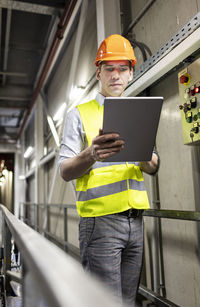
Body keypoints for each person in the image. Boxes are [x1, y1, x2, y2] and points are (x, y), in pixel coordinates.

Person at [58, 34, 159, 306]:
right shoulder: (78, 114)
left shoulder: (140, 112)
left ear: (131, 73)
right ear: (98, 73)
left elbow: (153, 165)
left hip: (135, 222)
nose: (116, 75)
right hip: (100, 223)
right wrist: (91, 153)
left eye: (122, 69)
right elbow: (65, 171)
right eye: (109, 69)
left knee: (126, 302)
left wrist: (143, 155)